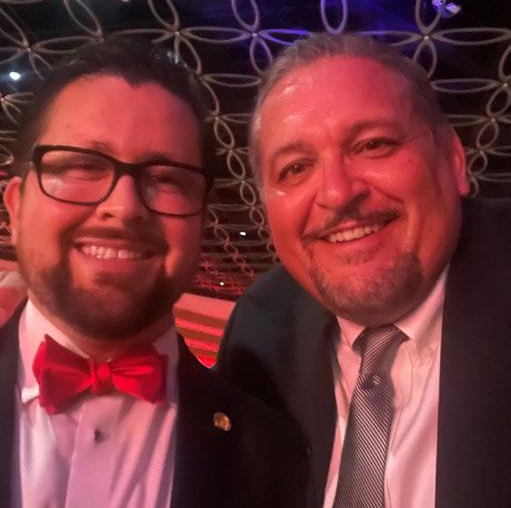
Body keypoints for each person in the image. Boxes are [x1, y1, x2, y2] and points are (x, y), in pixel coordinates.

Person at [1, 39, 310, 508]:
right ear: (16, 207)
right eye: (84, 165)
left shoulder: (273, 457)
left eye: (165, 178)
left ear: (202, 219)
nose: (124, 207)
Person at [217, 33, 511, 508]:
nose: (337, 193)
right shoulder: (259, 330)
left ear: (454, 161)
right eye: (295, 168)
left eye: (374, 144)